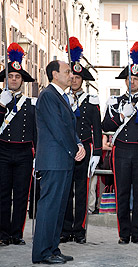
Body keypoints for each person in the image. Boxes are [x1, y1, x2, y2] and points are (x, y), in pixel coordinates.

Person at [102, 41, 138, 245]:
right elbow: (105, 124)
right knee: (122, 193)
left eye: (136, 79)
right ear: (125, 81)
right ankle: (123, 233)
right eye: (130, 79)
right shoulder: (115, 101)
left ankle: (137, 233)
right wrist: (120, 115)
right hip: (122, 151)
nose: (132, 82)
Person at [32, 60, 86, 264]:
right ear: (55, 74)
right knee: (49, 208)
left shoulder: (60, 97)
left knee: (59, 208)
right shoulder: (48, 96)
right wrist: (74, 150)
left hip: (63, 160)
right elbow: (57, 128)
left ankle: (53, 248)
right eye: (67, 71)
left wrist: (79, 144)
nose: (71, 75)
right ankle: (42, 253)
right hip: (54, 161)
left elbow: (69, 127)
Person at [60, 37, 102, 244]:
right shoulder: (62, 99)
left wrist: (97, 153)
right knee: (66, 191)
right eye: (71, 76)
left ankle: (79, 231)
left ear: (83, 80)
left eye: (77, 77)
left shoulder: (91, 100)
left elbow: (97, 128)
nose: (74, 80)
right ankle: (66, 229)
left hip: (84, 148)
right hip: (66, 149)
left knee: (82, 191)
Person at [0, 43, 36, 246]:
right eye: (11, 76)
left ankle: (17, 234)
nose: (14, 79)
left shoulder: (31, 103)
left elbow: (36, 130)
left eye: (17, 77)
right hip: (3, 151)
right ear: (6, 79)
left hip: (24, 153)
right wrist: (1, 105)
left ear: (23, 81)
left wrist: (37, 154)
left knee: (22, 195)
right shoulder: (0, 99)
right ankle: (3, 234)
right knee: (3, 194)